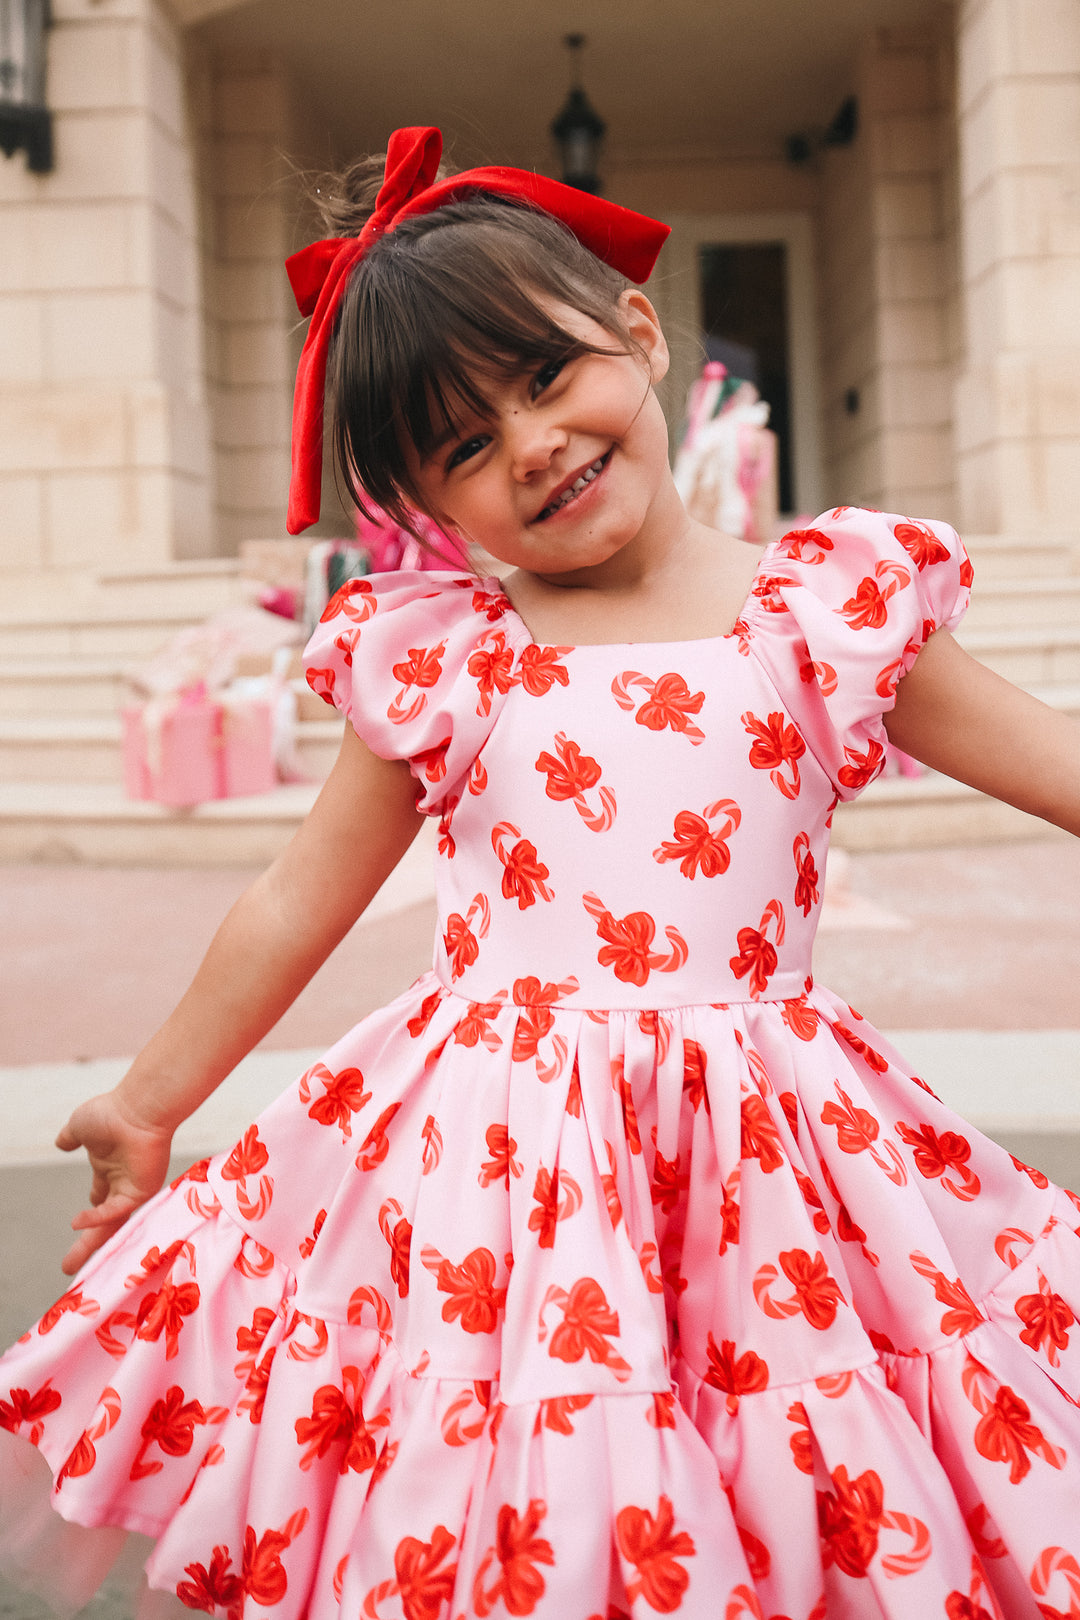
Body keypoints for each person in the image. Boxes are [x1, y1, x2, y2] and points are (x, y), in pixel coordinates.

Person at [2, 125, 1079, 1620]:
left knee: (785, 1459)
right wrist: (148, 1096)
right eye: (462, 447)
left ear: (635, 332)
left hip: (768, 1161)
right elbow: (293, 902)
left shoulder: (826, 614)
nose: (531, 443)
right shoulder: (451, 657)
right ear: (433, 512)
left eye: (544, 376)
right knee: (532, 1493)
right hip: (500, 1178)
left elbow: (1057, 760)